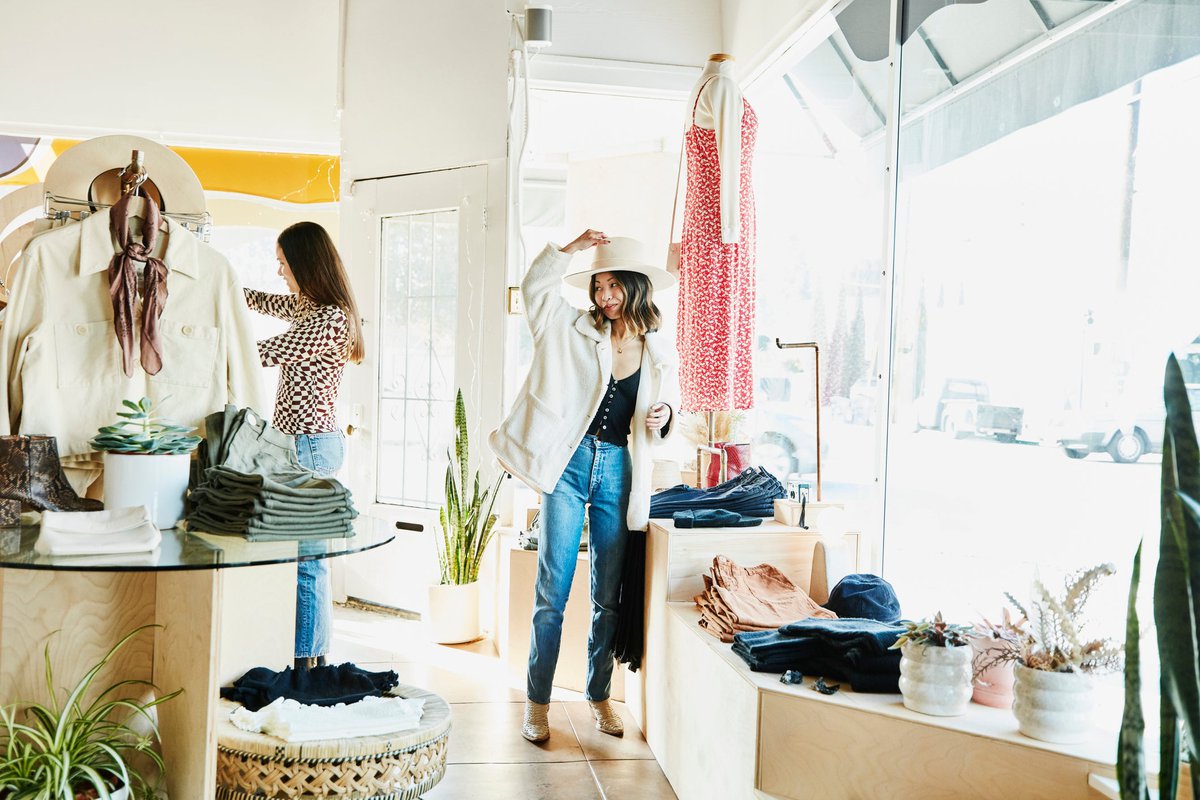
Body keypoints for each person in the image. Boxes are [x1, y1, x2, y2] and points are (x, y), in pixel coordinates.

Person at [489, 230, 678, 743]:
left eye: (614, 286)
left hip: (619, 468)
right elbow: (535, 289)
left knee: (608, 597)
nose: (604, 297)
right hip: (569, 465)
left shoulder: (660, 350)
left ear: (637, 288)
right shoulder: (569, 327)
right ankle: (537, 704)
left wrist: (664, 416)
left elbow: (661, 420)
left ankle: (598, 697)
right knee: (552, 592)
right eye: (598, 286)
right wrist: (567, 250)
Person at [243, 221, 364, 669]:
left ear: (304, 264)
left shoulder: (331, 320)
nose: (279, 272)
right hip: (299, 445)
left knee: (308, 561)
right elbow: (255, 300)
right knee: (298, 559)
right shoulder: (307, 306)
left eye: (283, 263)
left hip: (311, 448)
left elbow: (265, 352)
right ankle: (302, 656)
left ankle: (307, 663)